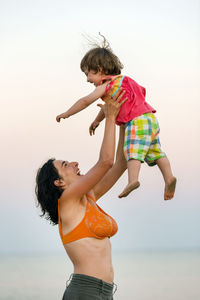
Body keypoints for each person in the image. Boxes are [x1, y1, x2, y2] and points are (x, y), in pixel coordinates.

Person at [56, 34, 176, 200]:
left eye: (88, 74)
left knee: (132, 152)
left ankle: (133, 180)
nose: (87, 79)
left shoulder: (106, 85)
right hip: (150, 118)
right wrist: (98, 120)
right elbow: (109, 107)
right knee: (156, 152)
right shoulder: (124, 80)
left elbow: (85, 101)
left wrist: (67, 113)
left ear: (99, 69)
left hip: (136, 121)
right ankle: (169, 177)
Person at [35, 89, 127, 300]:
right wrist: (109, 117)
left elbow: (120, 162)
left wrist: (122, 119)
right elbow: (106, 162)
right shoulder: (66, 202)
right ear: (58, 182)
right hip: (85, 292)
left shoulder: (89, 197)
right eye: (66, 165)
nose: (75, 163)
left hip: (105, 293)